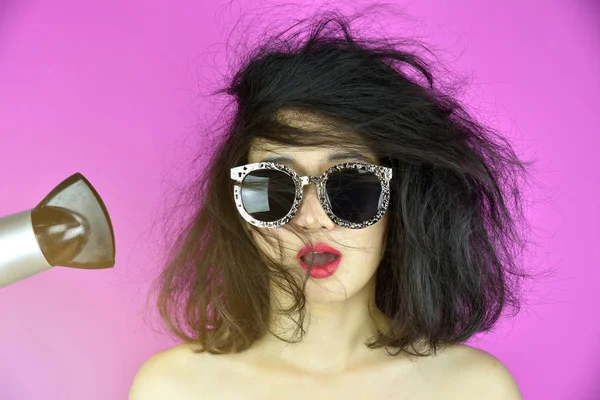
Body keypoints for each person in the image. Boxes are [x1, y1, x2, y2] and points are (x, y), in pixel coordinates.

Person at [129, 8, 534, 400]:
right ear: (239, 211)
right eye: (274, 188)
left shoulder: (473, 390)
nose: (311, 218)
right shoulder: (173, 389)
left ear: (398, 203)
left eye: (350, 187)